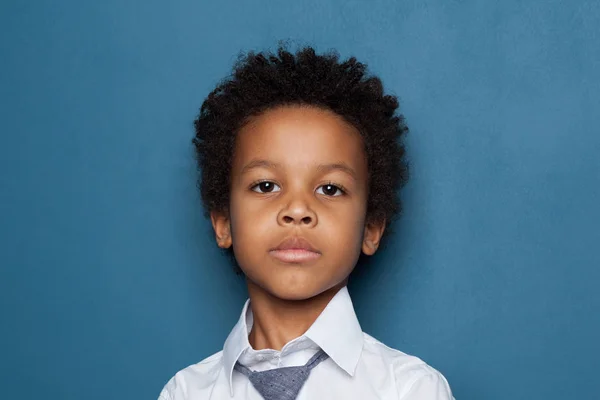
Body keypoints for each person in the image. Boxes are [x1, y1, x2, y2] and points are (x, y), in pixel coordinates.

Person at [158, 46, 454, 400]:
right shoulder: (186, 392)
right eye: (266, 185)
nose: (297, 209)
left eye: (330, 189)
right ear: (223, 222)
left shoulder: (410, 390)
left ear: (371, 228)